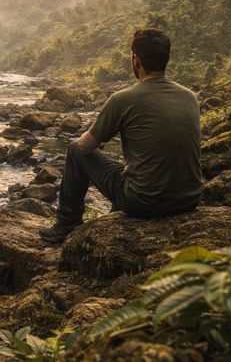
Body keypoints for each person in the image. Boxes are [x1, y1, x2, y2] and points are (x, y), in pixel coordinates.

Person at [39, 28, 203, 243]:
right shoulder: (189, 97)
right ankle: (113, 212)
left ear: (136, 60)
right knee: (133, 167)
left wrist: (96, 135)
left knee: (74, 150)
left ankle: (67, 224)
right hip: (189, 200)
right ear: (166, 59)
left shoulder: (122, 99)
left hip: (144, 203)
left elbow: (85, 146)